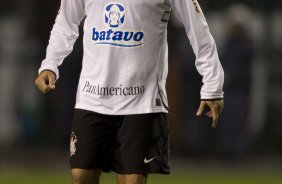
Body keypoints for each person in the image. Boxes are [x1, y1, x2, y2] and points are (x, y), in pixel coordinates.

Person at [35, 0, 224, 184]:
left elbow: (197, 27)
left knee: (132, 179)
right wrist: (50, 64)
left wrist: (212, 85)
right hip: (92, 95)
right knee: (81, 175)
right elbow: (65, 24)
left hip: (141, 100)